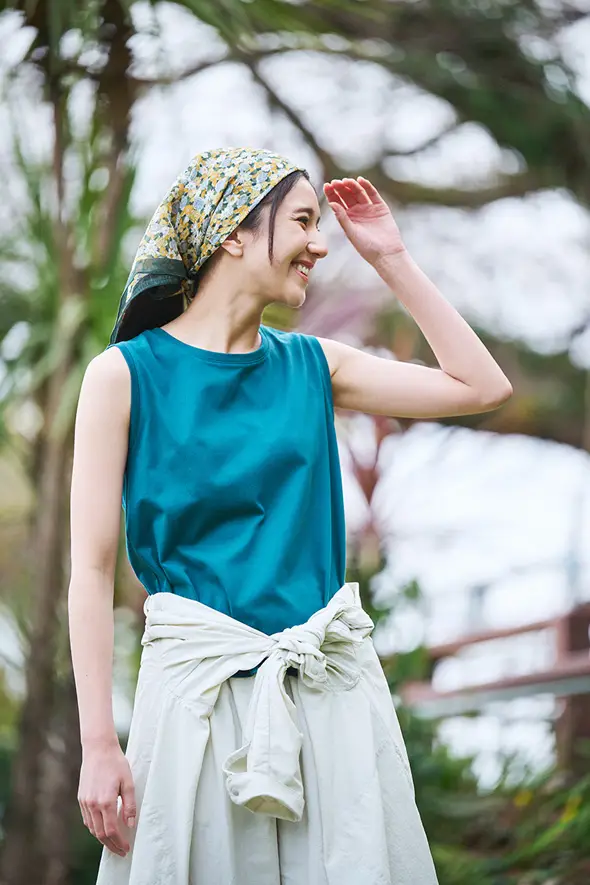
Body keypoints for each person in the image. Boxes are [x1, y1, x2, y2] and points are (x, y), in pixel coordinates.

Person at [68, 147, 512, 885]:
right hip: (194, 701)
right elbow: (88, 570)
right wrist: (98, 744)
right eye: (303, 221)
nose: (320, 243)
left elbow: (481, 386)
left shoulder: (314, 365)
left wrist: (392, 258)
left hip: (328, 694)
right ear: (232, 233)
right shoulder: (123, 375)